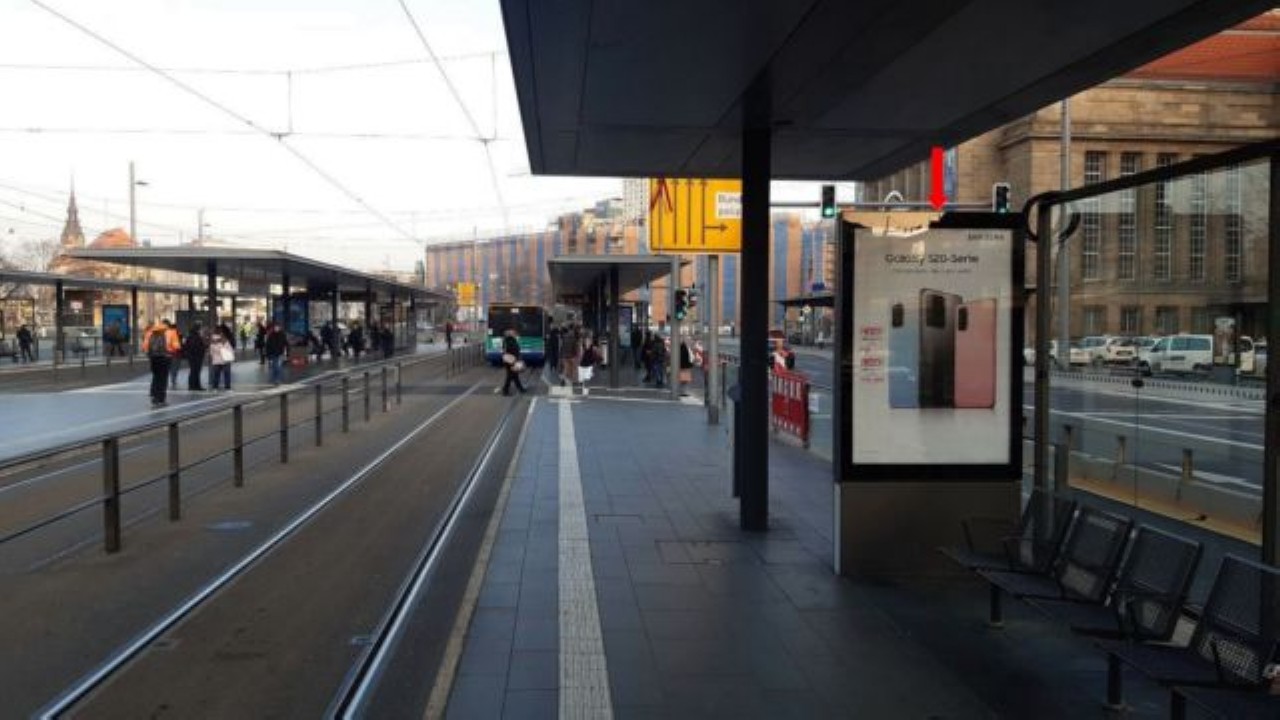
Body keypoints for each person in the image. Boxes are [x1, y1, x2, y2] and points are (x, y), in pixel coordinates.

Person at [142, 319, 180, 406]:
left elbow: (145, 347)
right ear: (168, 325)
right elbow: (176, 346)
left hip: (153, 358)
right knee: (163, 378)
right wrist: (171, 351)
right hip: (165, 358)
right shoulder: (172, 332)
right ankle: (161, 399)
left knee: (156, 377)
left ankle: (155, 397)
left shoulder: (150, 332)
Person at [501, 328, 526, 396]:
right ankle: (505, 390)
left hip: (510, 360)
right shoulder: (509, 340)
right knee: (510, 375)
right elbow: (512, 350)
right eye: (514, 333)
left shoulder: (509, 340)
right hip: (510, 361)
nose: (515, 334)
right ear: (510, 334)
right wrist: (516, 357)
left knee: (514, 375)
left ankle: (520, 389)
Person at [183, 322, 208, 391]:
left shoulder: (191, 336)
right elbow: (196, 347)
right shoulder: (195, 336)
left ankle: (194, 385)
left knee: (194, 371)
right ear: (198, 329)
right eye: (200, 328)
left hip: (192, 356)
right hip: (196, 357)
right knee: (195, 371)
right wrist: (204, 347)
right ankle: (194, 386)